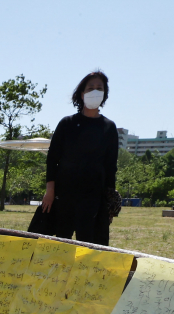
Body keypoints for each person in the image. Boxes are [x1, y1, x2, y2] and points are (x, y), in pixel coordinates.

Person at [40, 70, 119, 245]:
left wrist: (110, 202)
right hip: (64, 194)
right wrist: (50, 192)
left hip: (94, 196)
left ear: (105, 94)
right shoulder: (67, 124)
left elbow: (111, 166)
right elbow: (52, 159)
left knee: (90, 245)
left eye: (100, 88)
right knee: (60, 242)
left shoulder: (109, 127)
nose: (95, 91)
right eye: (90, 88)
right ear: (82, 93)